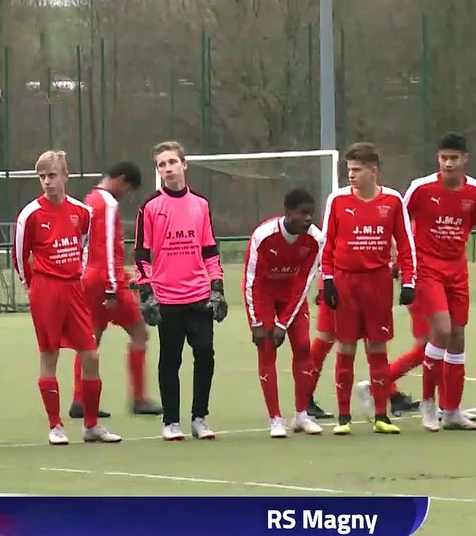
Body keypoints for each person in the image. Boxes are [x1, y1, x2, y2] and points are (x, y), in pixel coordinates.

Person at [376, 133, 476, 431]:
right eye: (443, 158)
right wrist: (400, 262)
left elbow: (470, 222)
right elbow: (399, 222)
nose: (448, 163)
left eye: (454, 158)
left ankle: (452, 411)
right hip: (426, 267)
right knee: (441, 331)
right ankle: (427, 403)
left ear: (465, 159)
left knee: (458, 336)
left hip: (457, 269)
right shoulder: (421, 188)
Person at [14, 151, 121, 445]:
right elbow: (20, 256)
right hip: (45, 290)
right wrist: (30, 285)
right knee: (49, 355)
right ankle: (55, 425)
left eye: (52, 176)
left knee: (91, 355)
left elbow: (83, 243)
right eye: (42, 177)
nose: (47, 182)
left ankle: (91, 425)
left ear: (65, 176)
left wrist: (77, 273)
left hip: (74, 289)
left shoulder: (82, 212)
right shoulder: (30, 214)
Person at [319, 143, 416, 435]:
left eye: (357, 170)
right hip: (346, 282)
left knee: (377, 347)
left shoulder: (393, 200)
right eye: (349, 170)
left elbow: (405, 244)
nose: (351, 175)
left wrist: (408, 281)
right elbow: (327, 244)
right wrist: (327, 280)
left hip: (378, 282)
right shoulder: (337, 200)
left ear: (373, 171)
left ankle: (381, 415)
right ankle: (344, 418)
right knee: (346, 346)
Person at [134, 141, 226, 441]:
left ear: (184, 164)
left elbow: (209, 250)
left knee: (205, 354)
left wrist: (217, 287)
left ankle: (199, 418)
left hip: (198, 296)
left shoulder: (201, 204)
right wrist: (147, 293)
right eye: (162, 164)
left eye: (172, 162)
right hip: (167, 298)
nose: (168, 168)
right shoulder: (150, 207)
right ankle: (171, 421)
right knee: (170, 360)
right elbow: (141, 255)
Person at [74, 161, 161, 418]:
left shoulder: (89, 200)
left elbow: (84, 245)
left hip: (88, 278)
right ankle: (139, 398)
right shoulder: (108, 204)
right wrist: (113, 286)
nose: (125, 194)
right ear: (121, 180)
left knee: (91, 338)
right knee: (139, 333)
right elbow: (108, 249)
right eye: (128, 188)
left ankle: (80, 400)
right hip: (106, 281)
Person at [243, 188, 326, 437]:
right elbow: (251, 281)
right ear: (288, 213)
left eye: (311, 214)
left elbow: (303, 283)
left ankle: (301, 415)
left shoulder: (315, 239)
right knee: (267, 348)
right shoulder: (263, 236)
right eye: (303, 213)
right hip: (264, 296)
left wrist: (283, 323)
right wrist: (256, 322)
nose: (308, 219)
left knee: (302, 346)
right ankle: (275, 419)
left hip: (292, 297)